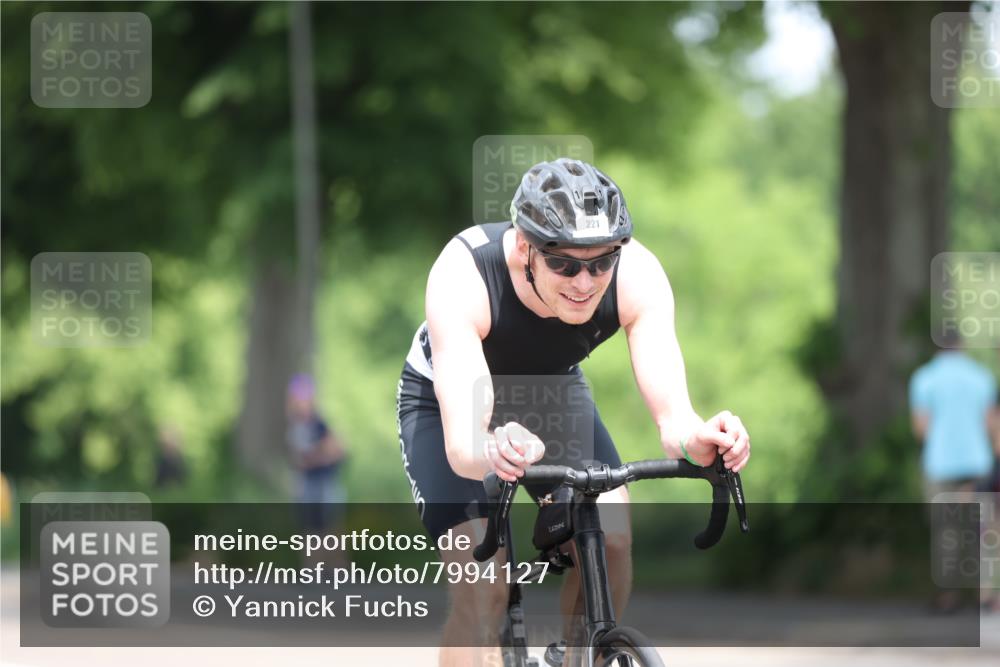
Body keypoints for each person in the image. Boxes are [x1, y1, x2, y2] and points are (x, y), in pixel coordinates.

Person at [396, 158, 751, 666]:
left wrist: (705, 441)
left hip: (551, 394)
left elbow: (675, 419)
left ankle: (576, 658)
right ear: (525, 248)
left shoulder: (639, 276)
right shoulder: (464, 273)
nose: (585, 282)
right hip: (446, 404)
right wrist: (495, 446)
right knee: (484, 589)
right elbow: (464, 445)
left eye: (601, 262)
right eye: (564, 264)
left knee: (611, 542)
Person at [909, 330, 998, 613]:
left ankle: (948, 596)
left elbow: (921, 429)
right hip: (978, 462)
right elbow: (992, 424)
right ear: (962, 347)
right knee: (982, 527)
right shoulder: (981, 377)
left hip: (940, 463)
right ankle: (987, 596)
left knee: (946, 530)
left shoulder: (925, 378)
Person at [286, 373, 347, 537]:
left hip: (326, 482)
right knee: (311, 531)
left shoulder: (319, 423)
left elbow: (338, 449)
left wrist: (319, 454)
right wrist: (320, 453)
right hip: (308, 484)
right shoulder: (296, 425)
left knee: (332, 530)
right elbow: (300, 459)